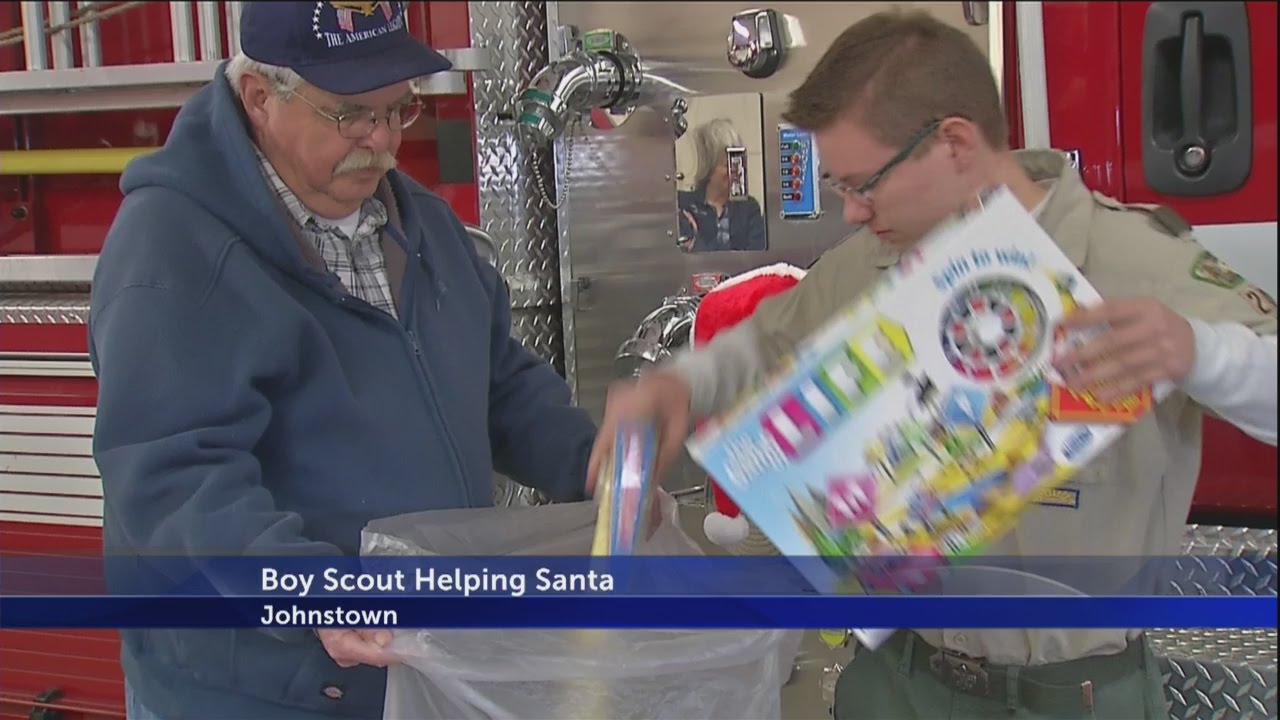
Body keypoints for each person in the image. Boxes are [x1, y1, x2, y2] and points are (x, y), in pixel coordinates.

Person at [590, 10, 1277, 720]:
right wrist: (680, 386)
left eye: (864, 184)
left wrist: (1204, 354)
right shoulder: (878, 261)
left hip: (1068, 696)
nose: (852, 213)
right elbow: (768, 341)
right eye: (838, 188)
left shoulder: (1132, 260)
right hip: (897, 683)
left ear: (953, 142)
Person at [89, 2, 596, 718]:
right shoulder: (174, 249)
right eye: (351, 115)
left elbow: (496, 381)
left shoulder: (417, 222)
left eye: (399, 109)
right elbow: (170, 473)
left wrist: (593, 460)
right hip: (260, 693)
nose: (383, 142)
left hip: (404, 667)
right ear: (260, 98)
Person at [677, 118, 767, 252]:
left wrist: (697, 245)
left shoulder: (749, 209)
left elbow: (755, 260)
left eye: (738, 164)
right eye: (727, 165)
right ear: (709, 168)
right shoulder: (684, 205)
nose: (735, 172)